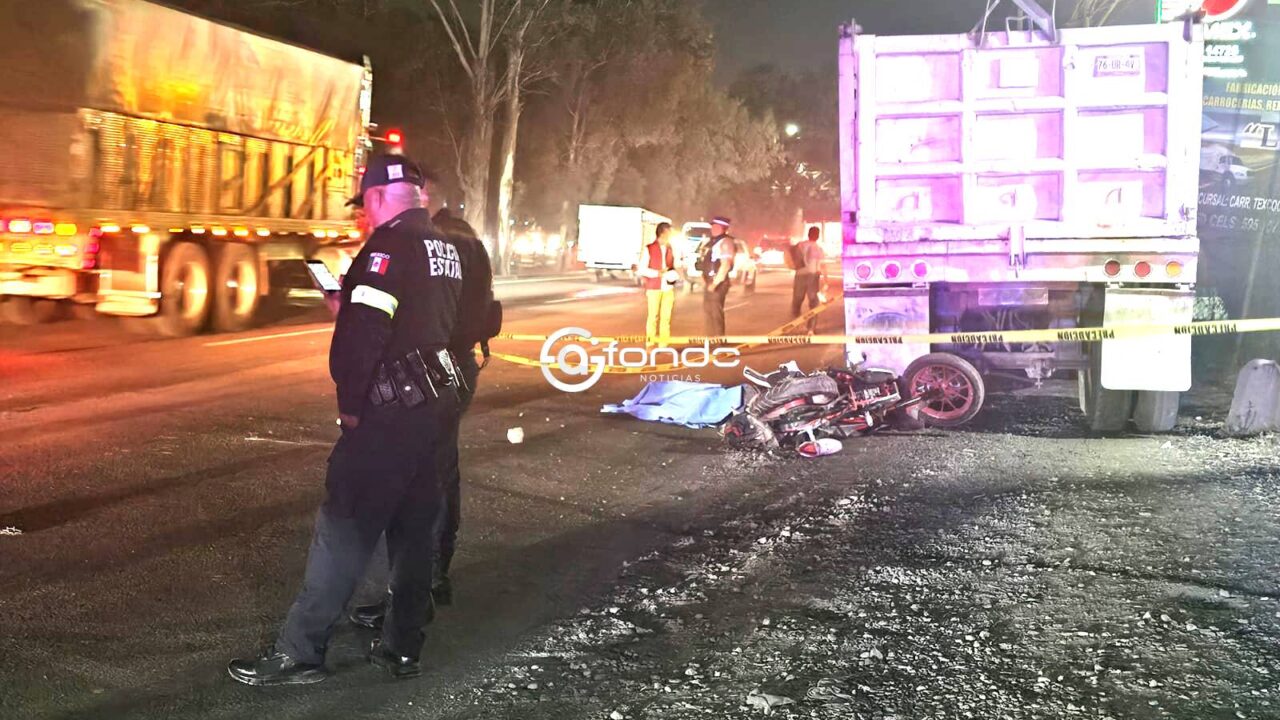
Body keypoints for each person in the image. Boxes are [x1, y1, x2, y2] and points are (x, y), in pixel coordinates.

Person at [228, 154, 465, 686]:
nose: (363, 217)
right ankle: (403, 648)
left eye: (365, 205)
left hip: (388, 415)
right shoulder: (444, 246)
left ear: (379, 198)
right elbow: (416, 318)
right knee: (414, 533)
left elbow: (364, 339)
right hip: (434, 410)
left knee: (343, 529)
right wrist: (354, 305)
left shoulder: (386, 248)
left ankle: (300, 652)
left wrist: (351, 408)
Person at [347, 207, 495, 631]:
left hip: (431, 370)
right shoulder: (474, 248)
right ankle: (432, 580)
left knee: (418, 483)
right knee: (441, 472)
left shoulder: (440, 249)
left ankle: (415, 595)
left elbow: (421, 319)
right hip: (461, 365)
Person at [637, 222, 679, 346]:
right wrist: (657, 273)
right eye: (668, 233)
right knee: (653, 317)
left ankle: (663, 344)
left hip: (668, 287)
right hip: (654, 287)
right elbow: (641, 269)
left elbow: (675, 265)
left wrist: (675, 273)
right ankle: (650, 343)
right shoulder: (649, 248)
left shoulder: (671, 248)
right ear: (662, 233)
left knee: (666, 318)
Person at [698, 216, 736, 337]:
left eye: (716, 227)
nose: (713, 229)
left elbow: (725, 265)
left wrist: (715, 283)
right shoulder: (712, 242)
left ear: (723, 228)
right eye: (712, 226)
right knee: (708, 312)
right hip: (709, 281)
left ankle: (718, 340)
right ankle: (710, 339)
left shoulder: (726, 242)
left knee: (715, 313)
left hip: (718, 283)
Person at [791, 226, 825, 333]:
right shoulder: (817, 248)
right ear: (817, 236)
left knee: (797, 300)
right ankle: (811, 328)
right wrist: (826, 281)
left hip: (800, 275)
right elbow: (822, 265)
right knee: (814, 303)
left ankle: (795, 324)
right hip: (813, 276)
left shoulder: (800, 245)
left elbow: (791, 256)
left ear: (808, 234)